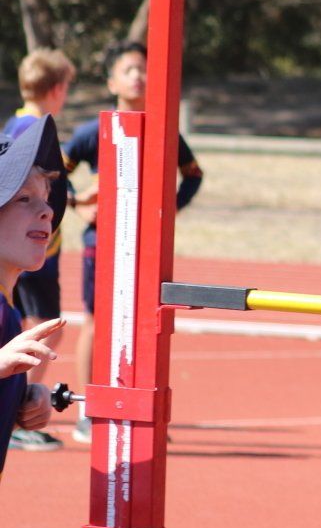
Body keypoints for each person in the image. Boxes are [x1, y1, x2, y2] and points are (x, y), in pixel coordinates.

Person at [62, 41, 204, 444]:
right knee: (96, 321)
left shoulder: (163, 130)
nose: (138, 76)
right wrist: (76, 204)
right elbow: (58, 172)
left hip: (147, 245)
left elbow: (193, 174)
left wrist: (171, 210)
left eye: (144, 68)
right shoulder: (93, 132)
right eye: (129, 69)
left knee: (145, 325)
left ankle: (140, 412)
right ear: (111, 81)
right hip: (102, 243)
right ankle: (89, 411)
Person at [5, 50, 75, 451]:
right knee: (43, 328)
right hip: (41, 258)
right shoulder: (35, 134)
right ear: (57, 89)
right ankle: (20, 418)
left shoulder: (14, 124)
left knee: (26, 325)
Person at [0, 114, 69, 479]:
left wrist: (20, 407)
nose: (46, 209)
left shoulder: (7, 312)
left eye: (45, 198)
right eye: (24, 198)